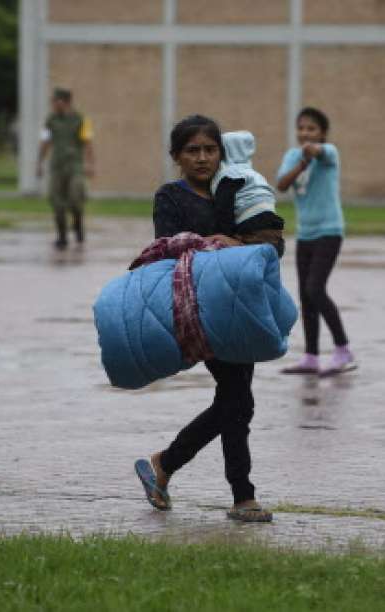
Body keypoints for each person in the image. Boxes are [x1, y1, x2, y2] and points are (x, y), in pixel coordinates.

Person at [134, 115, 277, 523]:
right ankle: (242, 496)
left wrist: (243, 241)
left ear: (221, 152)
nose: (202, 158)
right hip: (198, 309)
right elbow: (167, 248)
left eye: (209, 150)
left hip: (239, 308)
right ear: (176, 156)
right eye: (192, 151)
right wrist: (218, 246)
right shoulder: (170, 196)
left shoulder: (233, 188)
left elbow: (263, 236)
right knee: (237, 398)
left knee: (236, 401)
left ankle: (164, 464)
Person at [276, 107, 354, 376]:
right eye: (301, 128)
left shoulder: (330, 153)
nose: (305, 133)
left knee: (315, 289)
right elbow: (282, 185)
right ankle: (310, 357)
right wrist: (301, 163)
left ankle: (343, 351)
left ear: (322, 133)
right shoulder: (292, 156)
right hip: (305, 234)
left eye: (311, 129)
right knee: (305, 296)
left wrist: (314, 152)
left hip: (329, 231)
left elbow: (323, 153)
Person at [36, 87, 94, 249]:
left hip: (75, 165)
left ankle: (77, 224)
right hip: (57, 166)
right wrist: (39, 163)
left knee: (76, 197)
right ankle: (61, 236)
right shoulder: (50, 120)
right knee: (56, 200)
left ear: (64, 101)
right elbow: (45, 142)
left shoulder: (80, 119)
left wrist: (90, 164)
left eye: (55, 101)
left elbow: (88, 142)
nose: (53, 104)